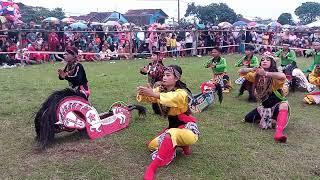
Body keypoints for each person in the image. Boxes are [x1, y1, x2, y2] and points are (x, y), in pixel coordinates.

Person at [137, 65, 199, 180]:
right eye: (164, 75)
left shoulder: (182, 93)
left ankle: (152, 168)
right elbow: (151, 97)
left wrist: (153, 93)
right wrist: (143, 92)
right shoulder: (161, 90)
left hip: (188, 129)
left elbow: (170, 98)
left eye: (168, 75)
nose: (164, 78)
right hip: (172, 127)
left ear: (176, 78)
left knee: (172, 134)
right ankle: (178, 145)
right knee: (152, 146)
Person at [240, 52, 289, 143]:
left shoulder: (275, 74)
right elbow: (240, 71)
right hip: (265, 106)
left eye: (267, 60)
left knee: (284, 105)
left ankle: (278, 134)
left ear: (272, 63)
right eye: (262, 60)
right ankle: (271, 119)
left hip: (277, 105)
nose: (264, 61)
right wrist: (252, 68)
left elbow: (282, 76)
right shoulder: (256, 75)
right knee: (248, 118)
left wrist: (265, 73)